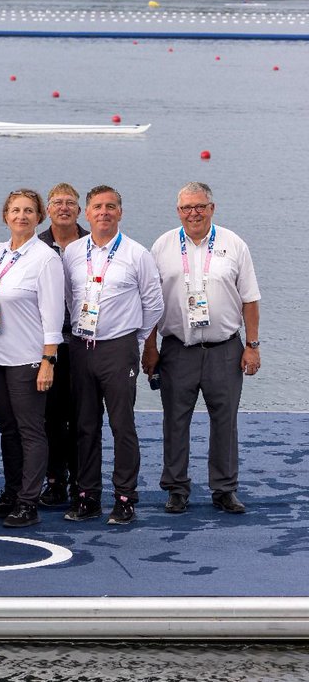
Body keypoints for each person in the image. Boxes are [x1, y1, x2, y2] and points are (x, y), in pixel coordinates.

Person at [143, 181, 261, 515]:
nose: (193, 213)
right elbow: (152, 303)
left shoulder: (233, 243)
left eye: (199, 206)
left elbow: (250, 299)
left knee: (225, 421)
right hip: (177, 349)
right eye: (186, 207)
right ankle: (176, 488)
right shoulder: (162, 246)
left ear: (212, 207)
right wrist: (149, 347)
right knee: (175, 421)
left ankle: (224, 489)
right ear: (178, 211)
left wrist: (252, 345)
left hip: (225, 349)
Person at [62, 186, 163, 526]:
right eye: (97, 207)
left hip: (118, 348)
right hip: (80, 347)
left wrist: (135, 340)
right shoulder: (73, 252)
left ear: (120, 212)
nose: (103, 212)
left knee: (123, 426)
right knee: (84, 426)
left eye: (110, 207)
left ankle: (124, 498)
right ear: (86, 214)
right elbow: (67, 298)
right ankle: (87, 496)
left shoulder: (137, 253)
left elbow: (154, 304)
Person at [0, 189, 64, 528]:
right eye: (15, 210)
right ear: (5, 215)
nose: (22, 216)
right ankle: (12, 494)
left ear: (39, 217)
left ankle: (28, 502)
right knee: (8, 430)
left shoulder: (46, 259)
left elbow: (53, 315)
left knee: (31, 431)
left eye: (29, 211)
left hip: (27, 359)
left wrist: (48, 360)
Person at [36, 183, 89, 508]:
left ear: (79, 210)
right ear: (48, 209)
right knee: (51, 419)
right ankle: (54, 481)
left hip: (84, 342)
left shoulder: (92, 244)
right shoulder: (36, 245)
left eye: (70, 203)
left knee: (83, 417)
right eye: (58, 203)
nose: (64, 208)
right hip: (48, 346)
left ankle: (83, 483)